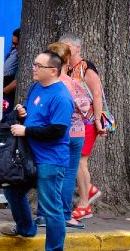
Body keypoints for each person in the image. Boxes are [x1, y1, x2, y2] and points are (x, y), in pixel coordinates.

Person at [0, 49, 74, 251]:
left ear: (52, 70)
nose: (33, 68)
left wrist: (26, 130)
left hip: (50, 160)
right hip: (29, 155)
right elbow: (36, 116)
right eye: (34, 64)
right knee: (12, 191)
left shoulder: (61, 97)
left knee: (51, 208)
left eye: (38, 66)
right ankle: (26, 228)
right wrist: (23, 113)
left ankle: (54, 248)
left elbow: (57, 131)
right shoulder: (36, 87)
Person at [38, 42, 88, 230]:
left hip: (49, 133)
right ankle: (65, 214)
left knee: (47, 174)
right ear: (66, 60)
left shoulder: (44, 84)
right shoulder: (73, 83)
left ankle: (43, 213)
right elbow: (85, 109)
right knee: (68, 175)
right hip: (73, 133)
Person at [59, 34, 104, 221]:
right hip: (74, 122)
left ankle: (85, 204)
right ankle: (89, 190)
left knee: (79, 162)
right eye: (62, 46)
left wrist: (98, 120)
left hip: (87, 122)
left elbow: (97, 94)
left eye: (67, 46)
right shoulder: (66, 68)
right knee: (77, 162)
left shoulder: (86, 67)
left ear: (78, 48)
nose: (65, 49)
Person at [3, 28, 20, 104]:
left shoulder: (19, 55)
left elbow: (17, 82)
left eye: (16, 44)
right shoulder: (14, 51)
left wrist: (3, 92)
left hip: (8, 93)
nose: (13, 46)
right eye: (13, 43)